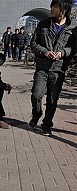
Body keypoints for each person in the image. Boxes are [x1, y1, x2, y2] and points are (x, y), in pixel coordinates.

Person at [29, 0, 77, 136]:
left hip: (59, 68)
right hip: (42, 67)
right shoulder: (43, 24)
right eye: (52, 6)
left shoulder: (73, 27)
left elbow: (73, 48)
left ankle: (47, 124)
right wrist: (45, 52)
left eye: (55, 7)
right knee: (36, 94)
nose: (51, 9)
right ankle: (36, 114)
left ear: (63, 9)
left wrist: (62, 53)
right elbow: (34, 43)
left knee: (52, 99)